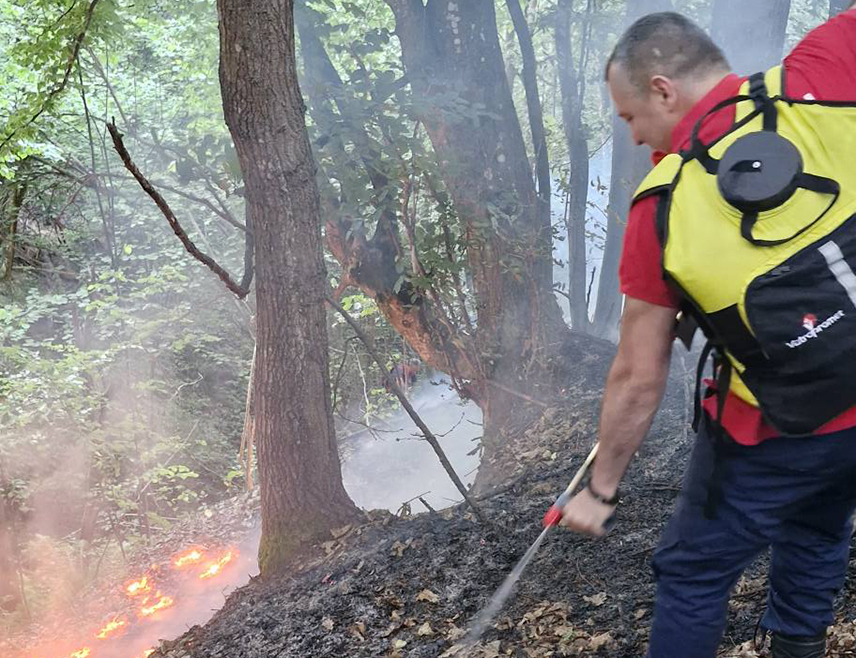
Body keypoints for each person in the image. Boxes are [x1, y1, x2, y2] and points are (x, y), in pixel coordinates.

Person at [558, 8, 856, 658]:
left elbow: (638, 378)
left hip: (774, 435)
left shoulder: (661, 207)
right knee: (819, 528)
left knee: (693, 572)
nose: (635, 138)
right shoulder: (824, 69)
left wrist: (600, 491)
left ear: (664, 89)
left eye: (632, 117)